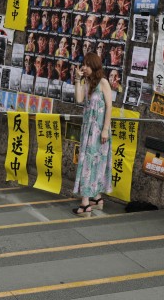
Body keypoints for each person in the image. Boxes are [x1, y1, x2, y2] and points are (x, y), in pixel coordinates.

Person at [72, 52, 113, 216]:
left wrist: (105, 129)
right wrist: (78, 79)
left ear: (95, 65)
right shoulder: (87, 82)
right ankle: (96, 198)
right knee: (89, 161)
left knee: (95, 163)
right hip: (88, 129)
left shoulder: (103, 82)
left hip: (100, 130)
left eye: (88, 65)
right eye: (84, 64)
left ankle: (85, 204)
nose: (85, 68)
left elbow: (109, 107)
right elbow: (79, 99)